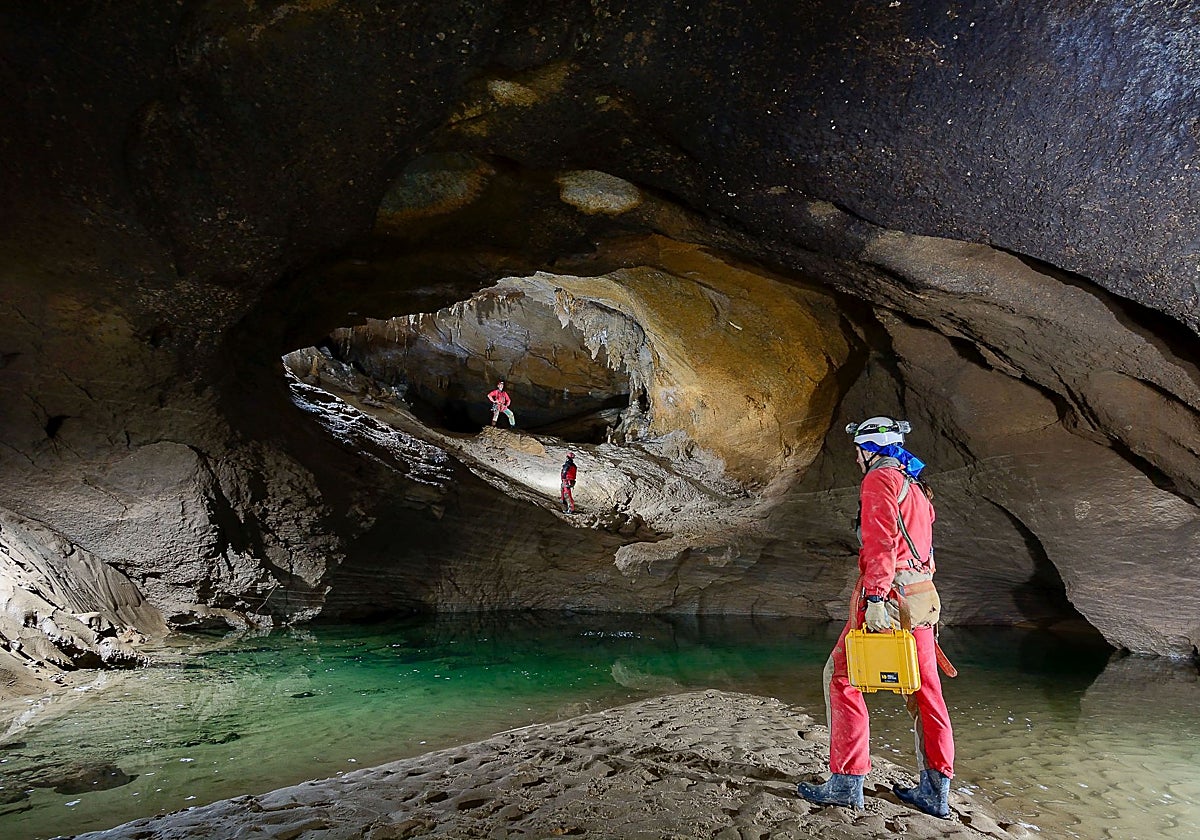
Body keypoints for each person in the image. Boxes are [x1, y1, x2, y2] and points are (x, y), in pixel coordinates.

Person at [797, 416, 956, 818]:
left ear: (870, 449)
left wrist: (875, 598)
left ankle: (846, 783)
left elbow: (881, 544)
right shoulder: (915, 485)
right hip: (921, 597)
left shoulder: (879, 481)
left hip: (891, 597)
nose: (855, 457)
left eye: (858, 450)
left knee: (840, 678)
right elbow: (923, 548)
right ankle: (935, 791)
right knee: (925, 693)